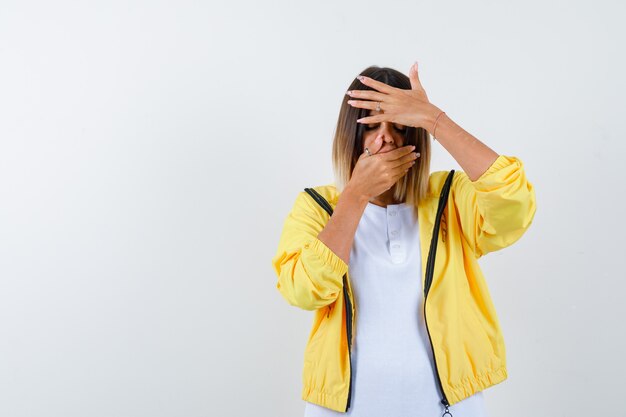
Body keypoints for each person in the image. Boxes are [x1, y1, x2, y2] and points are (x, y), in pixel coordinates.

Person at [271, 63, 537, 417]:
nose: (387, 138)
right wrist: (355, 196)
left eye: (400, 125)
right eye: (372, 126)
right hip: (341, 409)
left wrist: (434, 119)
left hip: (450, 407)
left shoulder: (449, 198)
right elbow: (301, 290)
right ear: (351, 135)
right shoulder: (317, 206)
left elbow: (513, 203)